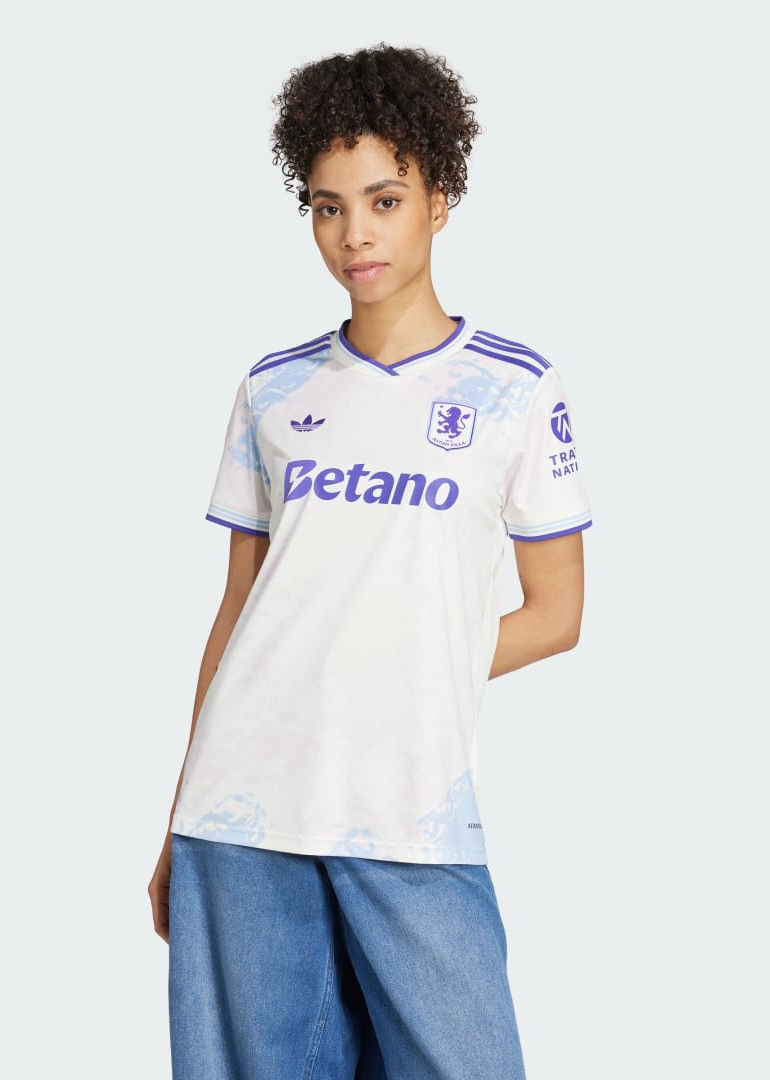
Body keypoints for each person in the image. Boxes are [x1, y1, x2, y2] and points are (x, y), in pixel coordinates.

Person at [148, 42, 592, 1080]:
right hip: (242, 807)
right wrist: (176, 815)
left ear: (440, 199)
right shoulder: (273, 390)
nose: (355, 233)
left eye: (385, 201)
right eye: (327, 206)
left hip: (409, 806)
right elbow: (237, 612)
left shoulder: (515, 389)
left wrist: (394, 664)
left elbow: (557, 614)